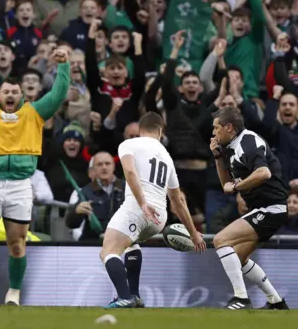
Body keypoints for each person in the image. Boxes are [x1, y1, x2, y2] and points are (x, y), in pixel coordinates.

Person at [0, 49, 70, 305]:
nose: (11, 95)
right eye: (6, 92)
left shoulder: (34, 113)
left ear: (22, 95)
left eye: (15, 92)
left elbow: (58, 94)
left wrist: (64, 65)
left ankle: (14, 292)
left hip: (20, 186)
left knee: (17, 243)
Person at [100, 112, 205, 309]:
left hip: (139, 208)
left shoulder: (129, 144)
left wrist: (142, 204)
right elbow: (178, 200)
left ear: (140, 130)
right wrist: (193, 233)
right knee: (131, 244)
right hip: (159, 218)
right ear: (160, 130)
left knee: (108, 251)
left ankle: (124, 297)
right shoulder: (167, 157)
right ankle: (135, 295)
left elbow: (130, 172)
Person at [210, 107, 289, 310]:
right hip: (263, 208)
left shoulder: (248, 142)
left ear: (229, 127)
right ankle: (276, 302)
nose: (214, 133)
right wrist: (218, 158)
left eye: (216, 128)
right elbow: (226, 185)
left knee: (220, 240)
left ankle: (241, 298)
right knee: (238, 257)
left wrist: (237, 187)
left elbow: (264, 173)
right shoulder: (230, 147)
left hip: (271, 208)